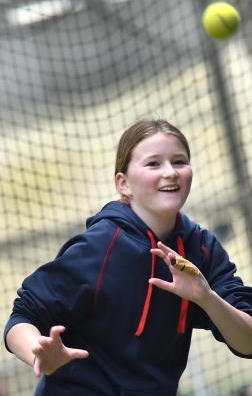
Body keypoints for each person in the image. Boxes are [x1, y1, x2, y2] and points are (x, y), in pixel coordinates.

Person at [4, 118, 252, 396]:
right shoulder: (99, 247)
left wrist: (207, 297)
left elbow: (248, 341)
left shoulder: (202, 248)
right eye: (153, 164)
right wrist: (39, 355)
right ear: (123, 184)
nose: (170, 172)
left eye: (179, 161)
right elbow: (22, 317)